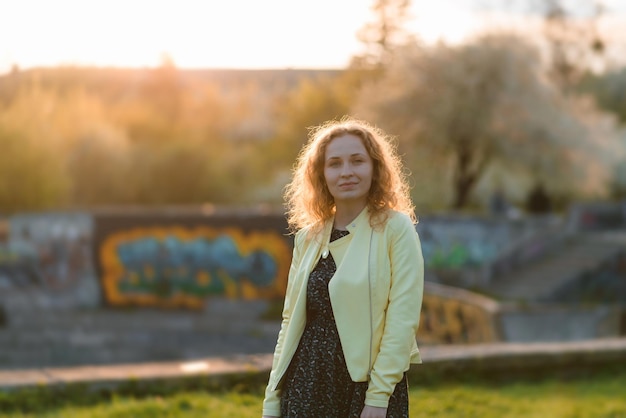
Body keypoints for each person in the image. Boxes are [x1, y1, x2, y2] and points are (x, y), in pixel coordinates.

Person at [262, 118, 424, 418]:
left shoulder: (395, 228)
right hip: (306, 384)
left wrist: (378, 397)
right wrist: (272, 399)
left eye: (357, 161)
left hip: (365, 389)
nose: (346, 171)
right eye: (334, 163)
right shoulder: (307, 237)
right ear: (321, 174)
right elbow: (290, 322)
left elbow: (402, 319)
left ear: (375, 168)